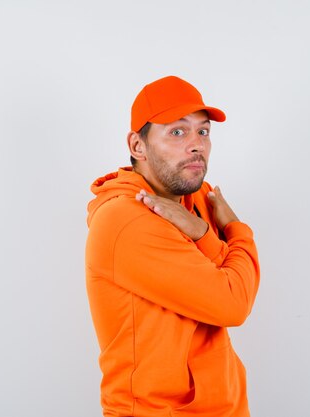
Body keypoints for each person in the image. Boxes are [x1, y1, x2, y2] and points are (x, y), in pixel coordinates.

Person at [85, 75, 260, 417]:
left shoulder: (196, 197)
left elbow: (239, 283)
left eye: (203, 131)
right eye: (177, 132)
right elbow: (235, 301)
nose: (196, 144)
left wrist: (201, 231)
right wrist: (234, 231)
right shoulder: (126, 220)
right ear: (137, 146)